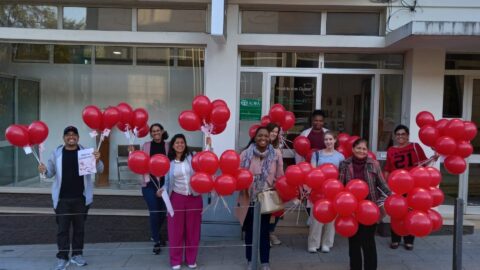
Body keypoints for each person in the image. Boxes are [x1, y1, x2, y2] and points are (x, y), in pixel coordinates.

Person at [38, 126, 104, 270]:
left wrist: (98, 160)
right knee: (62, 230)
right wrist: (43, 171)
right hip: (62, 199)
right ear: (64, 138)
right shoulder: (57, 153)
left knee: (79, 229)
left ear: (78, 137)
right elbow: (49, 174)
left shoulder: (86, 152)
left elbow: (99, 170)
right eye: (68, 135)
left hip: (81, 198)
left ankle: (77, 255)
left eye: (74, 134)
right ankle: (62, 258)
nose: (71, 137)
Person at [236, 126, 284, 270]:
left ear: (270, 138)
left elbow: (280, 176)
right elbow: (238, 174)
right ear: (254, 137)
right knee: (250, 232)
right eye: (260, 136)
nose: (263, 138)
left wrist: (275, 189)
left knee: (264, 232)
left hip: (267, 199)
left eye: (266, 136)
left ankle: (265, 262)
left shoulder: (276, 154)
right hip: (248, 198)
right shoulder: (245, 154)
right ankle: (250, 260)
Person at [339, 138, 391, 270]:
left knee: (368, 242)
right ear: (353, 149)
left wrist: (392, 196)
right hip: (351, 209)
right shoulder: (344, 164)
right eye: (358, 148)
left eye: (364, 149)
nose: (361, 151)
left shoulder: (374, 164)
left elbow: (382, 183)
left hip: (369, 209)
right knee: (354, 242)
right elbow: (340, 185)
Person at [384, 124, 428, 251]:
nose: (400, 136)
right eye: (398, 134)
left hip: (413, 186)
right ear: (395, 137)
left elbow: (423, 163)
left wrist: (434, 158)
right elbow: (388, 167)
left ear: (408, 135)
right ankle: (395, 239)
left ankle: (409, 240)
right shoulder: (391, 150)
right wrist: (386, 183)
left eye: (403, 134)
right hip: (397, 186)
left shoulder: (415, 146)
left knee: (411, 212)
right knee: (396, 212)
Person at [163, 134, 202, 270]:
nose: (180, 144)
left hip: (194, 197)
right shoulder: (169, 163)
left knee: (193, 230)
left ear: (185, 144)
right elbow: (166, 183)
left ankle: (191, 259)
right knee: (175, 231)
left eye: (182, 142)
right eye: (177, 142)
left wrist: (209, 144)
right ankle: (175, 260)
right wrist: (160, 191)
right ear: (172, 146)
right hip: (176, 198)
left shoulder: (192, 157)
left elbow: (207, 161)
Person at [308, 131, 344, 253]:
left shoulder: (340, 157)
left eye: (330, 139)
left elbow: (341, 175)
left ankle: (327, 243)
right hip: (318, 190)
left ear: (335, 140)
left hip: (334, 190)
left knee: (331, 218)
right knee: (316, 217)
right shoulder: (316, 155)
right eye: (326, 139)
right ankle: (313, 243)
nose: (328, 142)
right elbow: (313, 172)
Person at [140, 123, 169, 254]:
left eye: (158, 130)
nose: (156, 133)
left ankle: (156, 233)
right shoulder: (146, 146)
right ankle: (156, 241)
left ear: (162, 131)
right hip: (150, 184)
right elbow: (140, 161)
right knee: (154, 211)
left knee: (163, 212)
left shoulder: (168, 146)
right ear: (150, 133)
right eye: (153, 131)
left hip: (165, 183)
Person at [266, 123, 283, 246]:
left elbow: (280, 168)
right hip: (260, 186)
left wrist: (279, 182)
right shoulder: (257, 147)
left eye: (276, 132)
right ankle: (264, 235)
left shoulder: (277, 151)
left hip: (273, 185)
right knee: (263, 211)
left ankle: (270, 233)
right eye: (272, 131)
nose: (273, 133)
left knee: (276, 210)